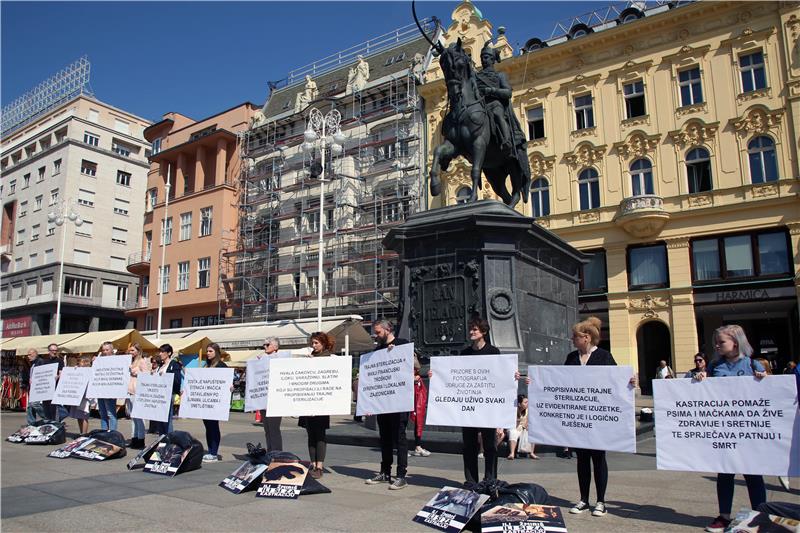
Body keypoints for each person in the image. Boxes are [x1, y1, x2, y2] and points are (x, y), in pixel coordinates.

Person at [696, 325, 767, 533]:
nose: (717, 346)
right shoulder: (715, 367)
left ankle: (759, 515)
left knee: (753, 475)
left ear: (736, 342)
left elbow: (767, 394)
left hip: (747, 429)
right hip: (724, 428)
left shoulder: (752, 364)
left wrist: (763, 380)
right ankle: (724, 516)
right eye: (715, 343)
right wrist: (700, 379)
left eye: (721, 342)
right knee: (724, 474)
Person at [565, 316, 619, 518]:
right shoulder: (572, 358)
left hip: (598, 418)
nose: (573, 339)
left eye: (575, 336)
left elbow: (617, 381)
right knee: (582, 459)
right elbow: (558, 381)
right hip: (579, 417)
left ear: (586, 338)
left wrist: (630, 380)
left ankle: (601, 501)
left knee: (598, 459)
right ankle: (583, 499)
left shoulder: (604, 356)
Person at [455, 317, 520, 486]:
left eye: (475, 329)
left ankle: (490, 478)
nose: (471, 332)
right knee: (469, 445)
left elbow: (500, 377)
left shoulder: (493, 351)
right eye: (470, 329)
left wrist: (513, 376)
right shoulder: (465, 353)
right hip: (469, 405)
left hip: (488, 406)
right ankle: (471, 480)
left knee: (490, 445)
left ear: (483, 332)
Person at [365, 320, 412, 490]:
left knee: (399, 438)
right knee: (384, 438)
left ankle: (401, 475)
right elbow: (371, 378)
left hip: (399, 402)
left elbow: (416, 366)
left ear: (388, 330)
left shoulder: (403, 345)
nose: (376, 336)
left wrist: (397, 353)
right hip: (383, 403)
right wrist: (367, 403)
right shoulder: (377, 351)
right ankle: (385, 471)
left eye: (378, 332)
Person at [475, 41, 527, 157]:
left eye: (486, 57)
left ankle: (506, 140)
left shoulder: (500, 75)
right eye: (482, 57)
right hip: (480, 105)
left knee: (498, 114)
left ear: (493, 59)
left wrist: (491, 91)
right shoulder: (477, 77)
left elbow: (508, 93)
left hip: (495, 104)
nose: (484, 60)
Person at [299, 332, 335, 479]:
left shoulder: (328, 358)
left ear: (323, 344)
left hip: (321, 402)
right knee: (310, 435)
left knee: (319, 435)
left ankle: (319, 465)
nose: (313, 346)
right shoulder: (309, 357)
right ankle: (313, 463)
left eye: (316, 343)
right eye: (312, 343)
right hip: (308, 401)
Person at [200, 343, 229, 463]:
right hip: (206, 401)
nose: (208, 353)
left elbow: (227, 381)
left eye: (210, 351)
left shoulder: (221, 366)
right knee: (207, 426)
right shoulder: (206, 366)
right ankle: (210, 450)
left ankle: (214, 452)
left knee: (213, 426)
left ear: (216, 352)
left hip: (216, 402)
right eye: (207, 351)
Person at [256, 336, 283, 452]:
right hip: (264, 399)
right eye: (264, 345)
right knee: (267, 429)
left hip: (275, 400)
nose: (264, 347)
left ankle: (277, 452)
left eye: (267, 345)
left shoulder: (279, 359)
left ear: (275, 347)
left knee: (274, 429)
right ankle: (270, 450)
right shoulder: (262, 359)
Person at [154, 344, 182, 435]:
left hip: (168, 395)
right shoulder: (161, 365)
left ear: (169, 353)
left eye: (162, 352)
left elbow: (177, 380)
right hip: (159, 395)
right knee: (159, 420)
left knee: (167, 420)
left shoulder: (174, 364)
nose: (160, 353)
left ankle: (169, 440)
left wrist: (165, 376)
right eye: (160, 351)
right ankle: (161, 440)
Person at [126, 343, 150, 449]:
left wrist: (138, 373)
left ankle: (141, 439)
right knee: (133, 417)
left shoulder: (141, 361)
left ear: (138, 351)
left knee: (139, 417)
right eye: (130, 350)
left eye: (132, 350)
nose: (130, 352)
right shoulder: (131, 361)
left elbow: (146, 374)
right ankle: (134, 438)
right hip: (130, 391)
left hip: (137, 391)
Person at [409, 357, 431, 458]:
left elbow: (417, 366)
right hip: (407, 401)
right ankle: (402, 448)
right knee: (401, 425)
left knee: (418, 423)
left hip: (417, 400)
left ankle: (417, 446)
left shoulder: (418, 378)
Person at [96, 342, 120, 432]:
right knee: (102, 414)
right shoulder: (99, 360)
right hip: (100, 390)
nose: (105, 352)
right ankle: (104, 433)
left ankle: (113, 434)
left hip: (110, 391)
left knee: (111, 414)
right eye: (103, 350)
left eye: (107, 350)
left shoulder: (117, 360)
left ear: (112, 350)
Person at [508, 395, 538, 460]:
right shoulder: (514, 410)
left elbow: (529, 420)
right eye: (525, 402)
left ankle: (532, 453)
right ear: (519, 404)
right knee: (513, 432)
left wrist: (527, 425)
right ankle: (512, 453)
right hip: (515, 427)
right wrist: (518, 420)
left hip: (523, 428)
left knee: (532, 431)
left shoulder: (528, 410)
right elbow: (513, 423)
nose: (527, 404)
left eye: (527, 402)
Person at [22, 349, 48, 424]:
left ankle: (47, 417)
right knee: (30, 406)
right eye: (28, 355)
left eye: (30, 354)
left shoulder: (40, 361)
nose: (28, 356)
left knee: (35, 404)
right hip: (33, 388)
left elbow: (43, 373)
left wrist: (36, 381)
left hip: (38, 387)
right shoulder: (33, 363)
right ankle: (31, 423)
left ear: (35, 354)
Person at [70, 355, 93, 434]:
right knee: (78, 416)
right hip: (77, 395)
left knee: (84, 416)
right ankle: (81, 433)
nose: (79, 363)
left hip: (85, 397)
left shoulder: (90, 370)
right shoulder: (78, 369)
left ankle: (84, 434)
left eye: (80, 361)